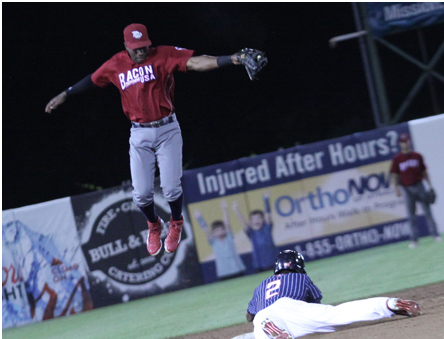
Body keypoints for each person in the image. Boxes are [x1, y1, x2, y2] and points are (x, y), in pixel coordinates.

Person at [45, 23, 244, 257]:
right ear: (126, 46)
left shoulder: (163, 54)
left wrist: (231, 59)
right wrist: (65, 94)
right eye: (136, 48)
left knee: (171, 189)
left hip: (167, 129)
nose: (141, 52)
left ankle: (176, 222)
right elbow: (93, 79)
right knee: (140, 194)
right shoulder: (116, 64)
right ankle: (153, 224)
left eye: (144, 47)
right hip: (139, 133)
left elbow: (196, 62)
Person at [246, 249, 421, 339]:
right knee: (337, 314)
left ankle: (269, 328)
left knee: (260, 329)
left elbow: (249, 315)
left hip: (265, 314)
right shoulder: (301, 278)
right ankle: (387, 304)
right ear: (298, 265)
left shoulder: (260, 286)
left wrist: (257, 315)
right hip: (294, 307)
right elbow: (315, 303)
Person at [389, 133, 441, 249]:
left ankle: (435, 234)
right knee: (411, 216)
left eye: (406, 141)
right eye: (402, 142)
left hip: (419, 185)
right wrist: (396, 189)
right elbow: (395, 175)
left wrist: (430, 185)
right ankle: (414, 240)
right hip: (407, 189)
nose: (405, 143)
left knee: (427, 212)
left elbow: (424, 172)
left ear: (409, 142)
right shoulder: (397, 159)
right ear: (400, 144)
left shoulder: (417, 156)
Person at [193, 201, 246, 280]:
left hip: (237, 269)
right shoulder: (214, 241)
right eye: (217, 230)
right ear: (213, 233)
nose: (220, 232)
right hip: (224, 273)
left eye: (222, 229)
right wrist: (199, 217)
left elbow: (227, 224)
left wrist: (225, 210)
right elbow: (206, 230)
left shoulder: (229, 238)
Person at [232, 193, 277, 272]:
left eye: (259, 218)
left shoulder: (267, 228)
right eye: (253, 219)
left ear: (263, 220)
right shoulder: (251, 232)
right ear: (251, 221)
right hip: (259, 265)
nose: (256, 220)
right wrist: (236, 210)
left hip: (273, 262)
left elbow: (268, 214)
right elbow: (243, 221)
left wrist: (266, 200)